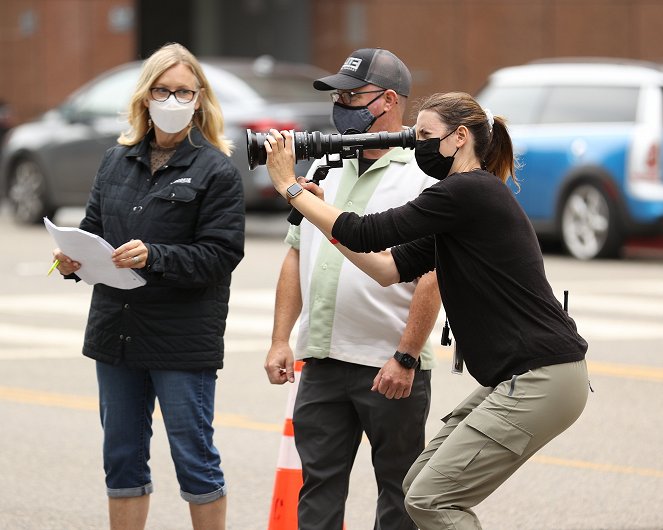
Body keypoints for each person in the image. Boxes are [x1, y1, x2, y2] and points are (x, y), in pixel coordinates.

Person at [263, 91, 589, 530]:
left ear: (458, 138)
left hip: (541, 377)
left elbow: (367, 231)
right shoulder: (462, 208)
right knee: (417, 487)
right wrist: (315, 209)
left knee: (433, 500)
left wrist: (291, 187)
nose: (416, 145)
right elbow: (384, 266)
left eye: (424, 135)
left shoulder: (466, 190)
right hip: (523, 376)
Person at [51, 42, 245, 530]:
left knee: (194, 457)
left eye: (184, 91)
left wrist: (155, 256)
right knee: (121, 455)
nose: (173, 100)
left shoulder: (216, 170)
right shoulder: (116, 161)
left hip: (180, 339)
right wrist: (73, 261)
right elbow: (94, 230)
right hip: (116, 333)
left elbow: (222, 255)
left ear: (200, 98)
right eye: (163, 90)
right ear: (145, 97)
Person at [263, 48, 441, 529]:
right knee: (317, 490)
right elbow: (297, 253)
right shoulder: (327, 165)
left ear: (388, 100)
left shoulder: (424, 174)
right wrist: (282, 339)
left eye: (352, 93)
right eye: (337, 93)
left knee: (399, 495)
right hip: (322, 360)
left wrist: (407, 356)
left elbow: (432, 277)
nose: (341, 103)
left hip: (390, 364)